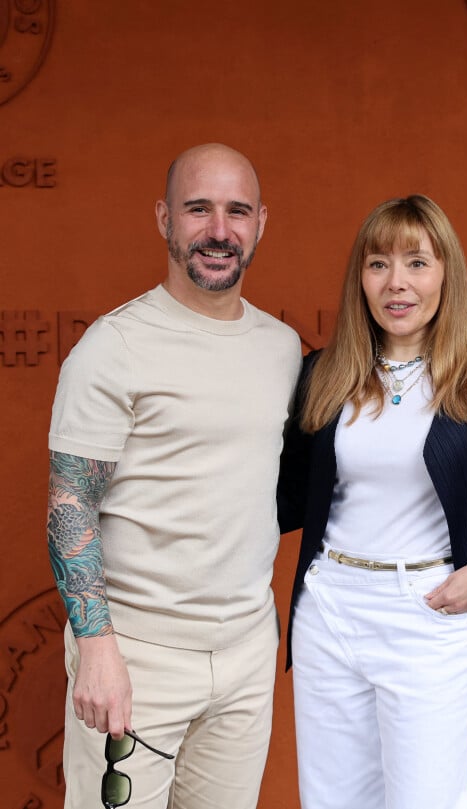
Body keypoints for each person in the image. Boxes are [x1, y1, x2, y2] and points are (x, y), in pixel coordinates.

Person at [277, 194, 467, 809]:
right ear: (361, 280)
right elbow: (284, 496)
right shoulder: (323, 375)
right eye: (378, 264)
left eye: (416, 263)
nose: (396, 283)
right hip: (330, 611)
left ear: (445, 274)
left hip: (430, 614)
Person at [47, 143, 302, 809]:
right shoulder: (114, 346)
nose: (219, 230)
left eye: (236, 211)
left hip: (246, 655)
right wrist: (96, 648)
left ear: (260, 223)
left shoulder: (281, 348)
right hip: (137, 655)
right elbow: (71, 504)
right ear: (164, 218)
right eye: (199, 209)